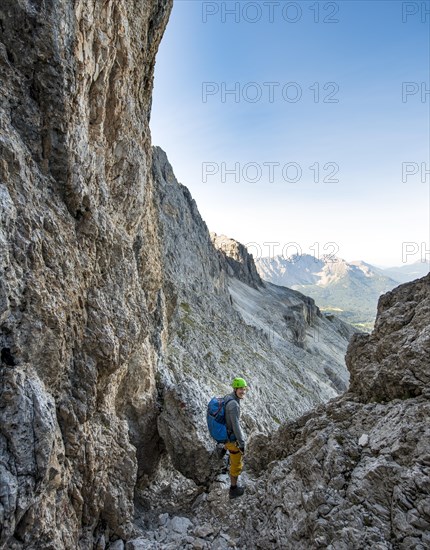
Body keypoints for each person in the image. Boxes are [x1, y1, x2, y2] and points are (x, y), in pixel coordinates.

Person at [224, 377, 247, 499]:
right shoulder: (233, 404)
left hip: (226, 436)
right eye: (240, 389)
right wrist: (242, 443)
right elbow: (235, 426)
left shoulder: (229, 398)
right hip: (231, 439)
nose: (243, 391)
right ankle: (233, 489)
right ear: (235, 389)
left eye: (244, 389)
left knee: (233, 459)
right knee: (237, 464)